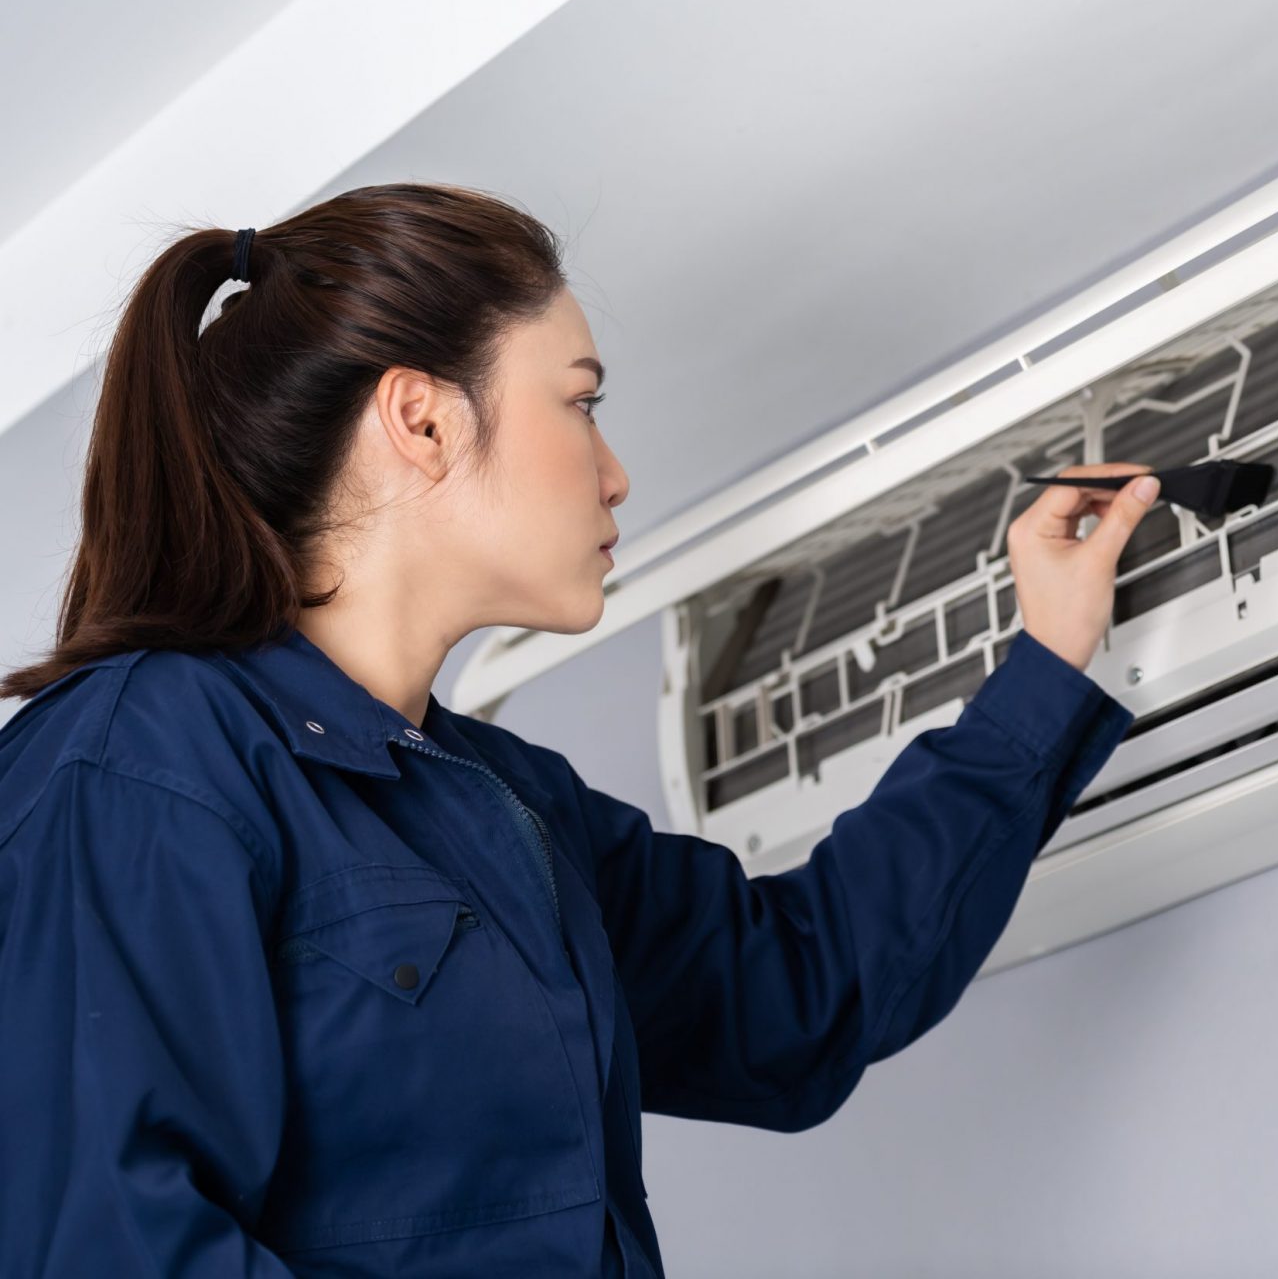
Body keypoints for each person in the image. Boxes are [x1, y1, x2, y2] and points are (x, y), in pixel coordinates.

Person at [0, 183, 1161, 1277]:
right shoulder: (138, 765)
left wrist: (1047, 668)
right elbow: (109, 1245)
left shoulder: (511, 807)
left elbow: (804, 995)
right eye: (581, 402)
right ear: (421, 419)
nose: (615, 474)